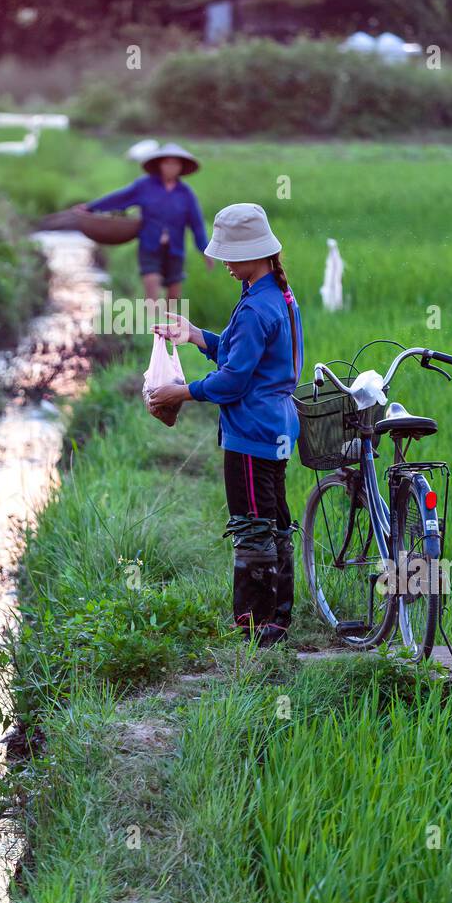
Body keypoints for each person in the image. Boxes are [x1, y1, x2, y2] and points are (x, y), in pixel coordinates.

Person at [148, 203, 303, 646]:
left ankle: (258, 625)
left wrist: (183, 392)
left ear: (255, 254)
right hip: (274, 426)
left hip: (251, 432)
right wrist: (198, 336)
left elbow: (234, 380)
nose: (225, 265)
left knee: (253, 524)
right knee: (274, 521)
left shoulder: (258, 307)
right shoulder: (275, 294)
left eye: (231, 256)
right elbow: (245, 361)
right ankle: (278, 618)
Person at [83, 142, 212, 305]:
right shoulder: (144, 186)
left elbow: (197, 225)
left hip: (175, 250)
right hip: (149, 246)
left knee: (173, 297)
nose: (171, 167)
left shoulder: (186, 194)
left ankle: (169, 328)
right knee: (152, 289)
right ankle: (151, 326)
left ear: (181, 167)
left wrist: (205, 250)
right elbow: (119, 198)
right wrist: (91, 207)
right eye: (167, 163)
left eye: (175, 163)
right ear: (159, 165)